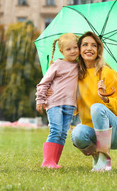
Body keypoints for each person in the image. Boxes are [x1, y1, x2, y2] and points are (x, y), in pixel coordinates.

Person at [70, 31, 117, 172]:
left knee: (97, 108)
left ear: (98, 50)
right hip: (93, 133)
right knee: (77, 134)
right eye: (85, 45)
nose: (89, 48)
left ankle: (104, 159)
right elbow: (73, 110)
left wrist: (106, 99)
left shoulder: (108, 73)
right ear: (79, 50)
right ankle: (97, 159)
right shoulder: (75, 77)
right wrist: (56, 92)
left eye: (93, 45)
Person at [35, 33, 79, 169]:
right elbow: (43, 83)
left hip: (70, 105)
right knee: (55, 130)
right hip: (54, 103)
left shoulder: (79, 66)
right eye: (68, 49)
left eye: (75, 48)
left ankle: (53, 162)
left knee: (63, 133)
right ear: (62, 51)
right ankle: (47, 162)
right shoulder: (57, 65)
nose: (73, 51)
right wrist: (40, 99)